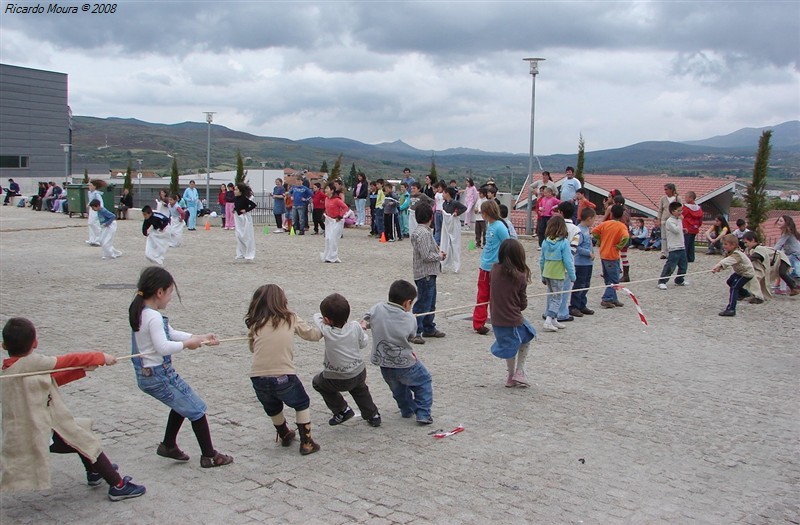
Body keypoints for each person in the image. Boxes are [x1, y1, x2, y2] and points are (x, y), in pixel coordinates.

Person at [1, 318, 146, 501]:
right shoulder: (31, 363)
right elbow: (68, 360)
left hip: (35, 430)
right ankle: (118, 485)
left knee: (80, 432)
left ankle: (94, 472)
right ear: (35, 342)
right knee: (86, 441)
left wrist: (83, 370)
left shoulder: (9, 369)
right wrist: (100, 357)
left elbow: (49, 382)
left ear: (4, 345)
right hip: (41, 431)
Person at [129, 267, 233, 468]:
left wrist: (199, 338)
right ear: (159, 292)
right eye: (169, 293)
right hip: (158, 375)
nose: (170, 298)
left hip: (154, 373)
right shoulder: (153, 317)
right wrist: (188, 345)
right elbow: (163, 346)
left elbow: (171, 333)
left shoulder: (142, 311)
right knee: (197, 409)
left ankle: (168, 445)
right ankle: (209, 455)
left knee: (182, 403)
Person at [244, 284, 323, 455]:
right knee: (301, 403)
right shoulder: (290, 318)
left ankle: (284, 433)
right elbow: (312, 335)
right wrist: (325, 329)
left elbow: (253, 348)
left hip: (258, 377)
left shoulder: (256, 323)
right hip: (283, 374)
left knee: (272, 406)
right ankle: (307, 442)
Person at [362, 280, 434, 425]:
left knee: (398, 389)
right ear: (407, 303)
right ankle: (423, 413)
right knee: (423, 381)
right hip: (405, 363)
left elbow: (367, 318)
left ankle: (407, 409)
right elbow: (411, 336)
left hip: (384, 363)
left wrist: (365, 323)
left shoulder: (377, 308)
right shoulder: (409, 318)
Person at [311, 293, 381, 428]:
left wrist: (324, 320)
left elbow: (316, 316)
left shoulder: (326, 330)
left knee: (318, 383)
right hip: (359, 370)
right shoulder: (355, 326)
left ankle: (342, 409)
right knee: (360, 390)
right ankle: (373, 415)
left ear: (327, 319)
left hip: (337, 377)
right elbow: (363, 343)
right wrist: (362, 330)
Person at [489, 239, 536, 387]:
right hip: (512, 319)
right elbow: (522, 304)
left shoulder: (494, 270)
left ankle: (511, 375)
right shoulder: (520, 277)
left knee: (510, 345)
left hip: (497, 319)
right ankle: (518, 372)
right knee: (528, 337)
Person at [410, 203, 447, 344]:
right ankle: (416, 330)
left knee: (430, 302)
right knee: (423, 303)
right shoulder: (424, 233)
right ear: (430, 217)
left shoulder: (421, 231)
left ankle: (428, 327)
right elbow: (426, 256)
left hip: (428, 272)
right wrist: (440, 256)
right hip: (425, 273)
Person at [473, 200, 510, 335]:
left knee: (497, 296)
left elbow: (508, 244)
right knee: (482, 295)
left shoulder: (500, 226)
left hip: (496, 267)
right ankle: (479, 323)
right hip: (485, 266)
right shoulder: (490, 225)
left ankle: (500, 321)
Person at [539, 216, 576, 332]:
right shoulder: (564, 243)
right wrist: (572, 275)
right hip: (557, 274)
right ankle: (549, 320)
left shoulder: (545, 242)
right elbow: (568, 260)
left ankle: (553, 319)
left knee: (551, 296)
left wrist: (542, 275)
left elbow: (542, 260)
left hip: (547, 272)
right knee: (557, 298)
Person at [592, 204, 630, 308]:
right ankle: (607, 298)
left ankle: (613, 298)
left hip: (603, 254)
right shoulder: (622, 226)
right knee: (614, 279)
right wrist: (619, 246)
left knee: (608, 278)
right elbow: (626, 237)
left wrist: (600, 239)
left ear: (611, 213)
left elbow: (594, 232)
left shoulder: (605, 224)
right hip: (612, 255)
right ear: (622, 215)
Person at [742, 230, 798, 300]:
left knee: (782, 273)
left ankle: (794, 288)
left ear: (753, 240)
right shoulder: (750, 250)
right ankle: (794, 285)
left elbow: (753, 257)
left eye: (746, 242)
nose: (745, 245)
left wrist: (744, 261)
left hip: (781, 258)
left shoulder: (759, 249)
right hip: (774, 261)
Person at [711, 234, 755, 316]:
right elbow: (727, 261)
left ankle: (731, 309)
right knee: (730, 281)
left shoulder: (737, 254)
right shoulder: (731, 252)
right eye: (723, 244)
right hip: (740, 272)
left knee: (734, 288)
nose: (724, 246)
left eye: (726, 244)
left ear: (733, 245)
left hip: (746, 273)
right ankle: (745, 293)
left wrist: (719, 265)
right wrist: (720, 267)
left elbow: (729, 260)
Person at [569, 207, 597, 316]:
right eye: (593, 219)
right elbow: (577, 247)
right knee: (579, 284)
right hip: (580, 262)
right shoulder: (579, 231)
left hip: (588, 262)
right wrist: (588, 253)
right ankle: (574, 306)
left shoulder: (587, 230)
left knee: (586, 284)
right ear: (589, 218)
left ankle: (582, 304)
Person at [657, 202, 688, 290]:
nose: (680, 212)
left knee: (683, 266)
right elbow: (676, 230)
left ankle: (679, 280)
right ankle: (662, 281)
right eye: (678, 210)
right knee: (670, 266)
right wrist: (680, 220)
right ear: (673, 211)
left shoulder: (678, 220)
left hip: (681, 246)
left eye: (681, 210)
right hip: (674, 247)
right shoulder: (670, 221)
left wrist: (683, 229)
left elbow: (679, 230)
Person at [321, 182, 349, 263]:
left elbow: (345, 207)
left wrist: (340, 216)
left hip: (337, 221)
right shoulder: (326, 199)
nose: (325, 190)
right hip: (329, 220)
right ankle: (328, 255)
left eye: (327, 188)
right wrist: (324, 214)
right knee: (328, 238)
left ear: (332, 190)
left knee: (333, 239)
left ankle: (333, 256)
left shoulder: (337, 200)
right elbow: (327, 208)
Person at [233, 182, 257, 261]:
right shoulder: (235, 198)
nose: (235, 191)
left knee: (247, 235)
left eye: (236, 190)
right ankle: (241, 252)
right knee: (239, 235)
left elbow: (253, 205)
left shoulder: (244, 198)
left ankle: (249, 253)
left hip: (245, 218)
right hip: (238, 218)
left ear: (240, 191)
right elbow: (237, 206)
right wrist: (234, 209)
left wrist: (246, 210)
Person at [658, 183, 681, 258]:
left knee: (671, 237)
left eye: (666, 189)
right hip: (664, 220)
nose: (665, 191)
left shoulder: (678, 199)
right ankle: (663, 252)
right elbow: (660, 210)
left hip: (674, 220)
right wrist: (659, 219)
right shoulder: (663, 199)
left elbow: (681, 209)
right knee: (664, 237)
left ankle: (670, 251)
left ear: (671, 190)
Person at [774, 215, 800, 280]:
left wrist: (771, 251)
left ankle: (792, 287)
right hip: (792, 254)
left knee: (790, 272)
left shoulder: (787, 232)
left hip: (794, 255)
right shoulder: (787, 232)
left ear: (786, 223)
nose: (778, 222)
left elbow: (779, 245)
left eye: (781, 221)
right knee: (786, 272)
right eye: (778, 220)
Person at [682, 191, 704, 262]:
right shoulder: (698, 208)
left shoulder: (686, 207)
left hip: (687, 227)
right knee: (691, 243)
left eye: (686, 197)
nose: (685, 198)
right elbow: (700, 219)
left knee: (685, 243)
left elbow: (682, 216)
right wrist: (698, 225)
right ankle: (691, 257)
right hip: (695, 227)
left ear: (691, 198)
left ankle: (684, 258)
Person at [85, 180, 104, 246]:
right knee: (90, 224)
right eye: (89, 185)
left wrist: (100, 210)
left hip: (96, 210)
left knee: (94, 224)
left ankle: (98, 239)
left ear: (94, 187)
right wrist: (88, 204)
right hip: (91, 209)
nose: (89, 187)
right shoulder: (90, 193)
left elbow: (101, 202)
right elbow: (91, 200)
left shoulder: (97, 194)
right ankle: (92, 239)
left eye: (91, 185)